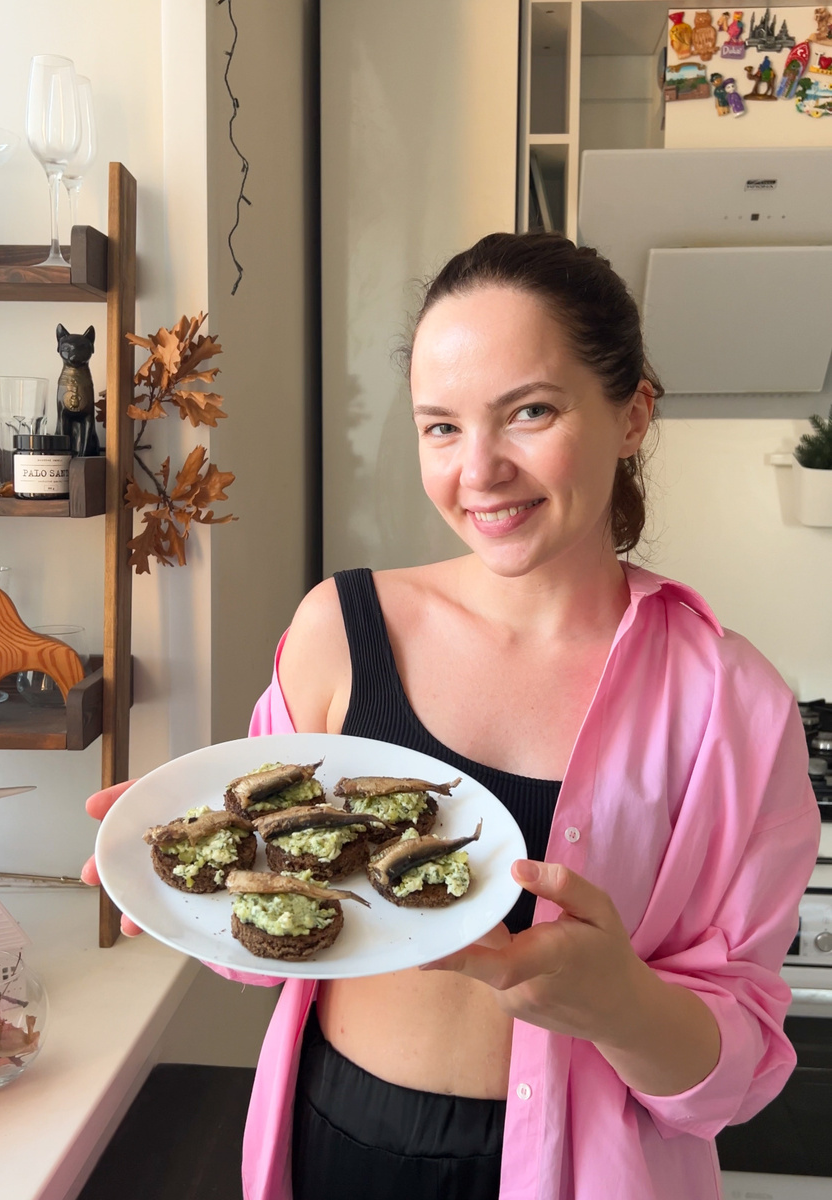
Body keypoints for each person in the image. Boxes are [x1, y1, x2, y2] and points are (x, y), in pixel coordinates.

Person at [83, 232, 820, 1200]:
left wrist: (621, 1003)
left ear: (632, 413)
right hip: (332, 1141)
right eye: (440, 427)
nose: (480, 470)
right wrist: (191, 875)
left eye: (530, 412)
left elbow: (737, 1077)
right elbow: (265, 955)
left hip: (582, 1171)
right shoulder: (341, 630)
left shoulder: (730, 704)